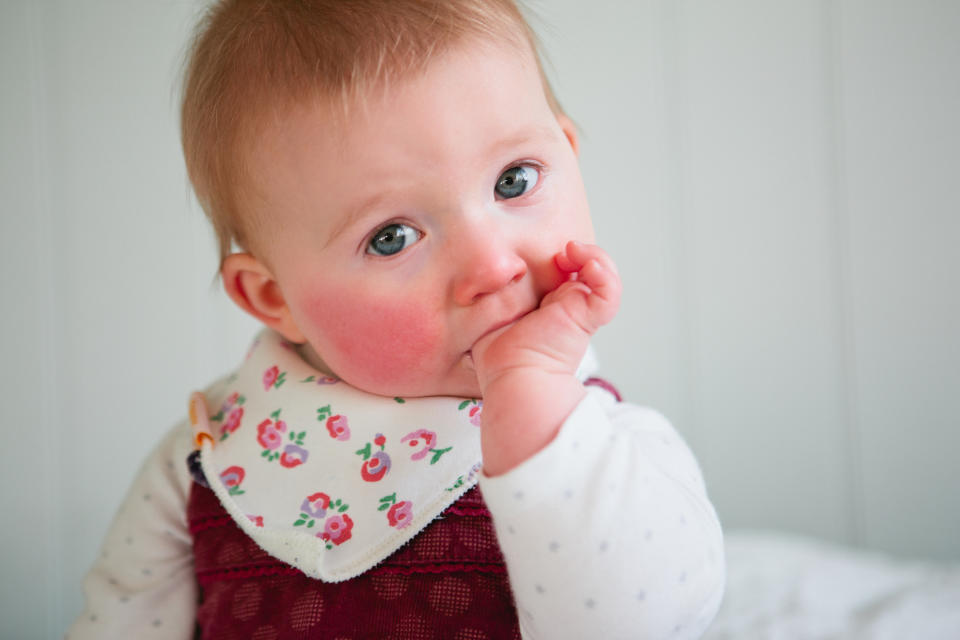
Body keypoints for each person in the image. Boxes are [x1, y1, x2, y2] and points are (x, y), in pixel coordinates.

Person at [67, 0, 725, 637]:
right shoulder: (207, 457)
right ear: (276, 299)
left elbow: (641, 623)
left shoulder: (602, 448)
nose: (493, 266)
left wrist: (532, 403)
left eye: (514, 181)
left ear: (568, 153)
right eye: (392, 237)